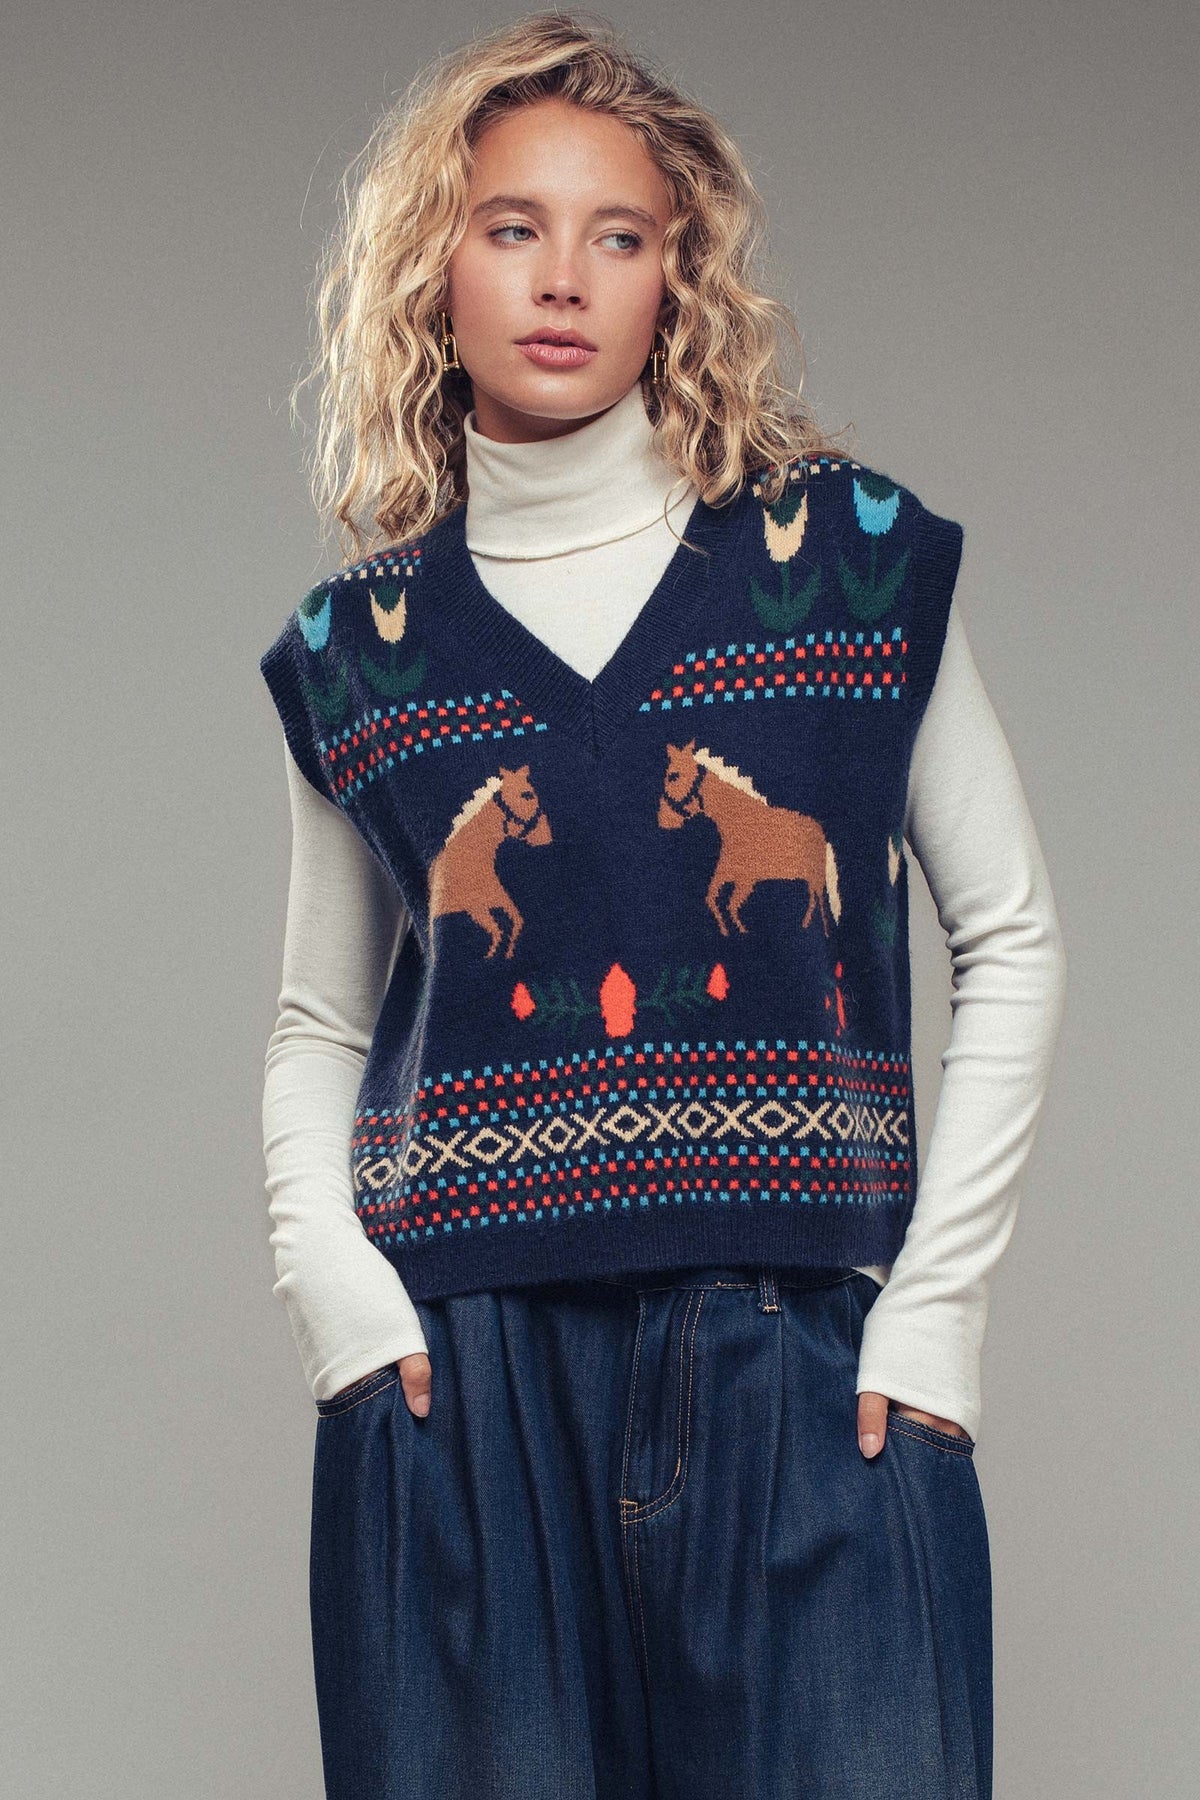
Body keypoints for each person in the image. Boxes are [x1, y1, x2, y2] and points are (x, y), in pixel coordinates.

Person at [259, 14, 1066, 1798]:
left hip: (805, 1367)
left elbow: (1010, 933)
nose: (565, 278)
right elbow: (320, 1022)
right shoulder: (358, 650)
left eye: (618, 234)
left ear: (675, 278)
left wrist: (937, 1312)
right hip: (461, 1378)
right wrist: (342, 1306)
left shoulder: (848, 569)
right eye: (513, 226)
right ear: (435, 269)